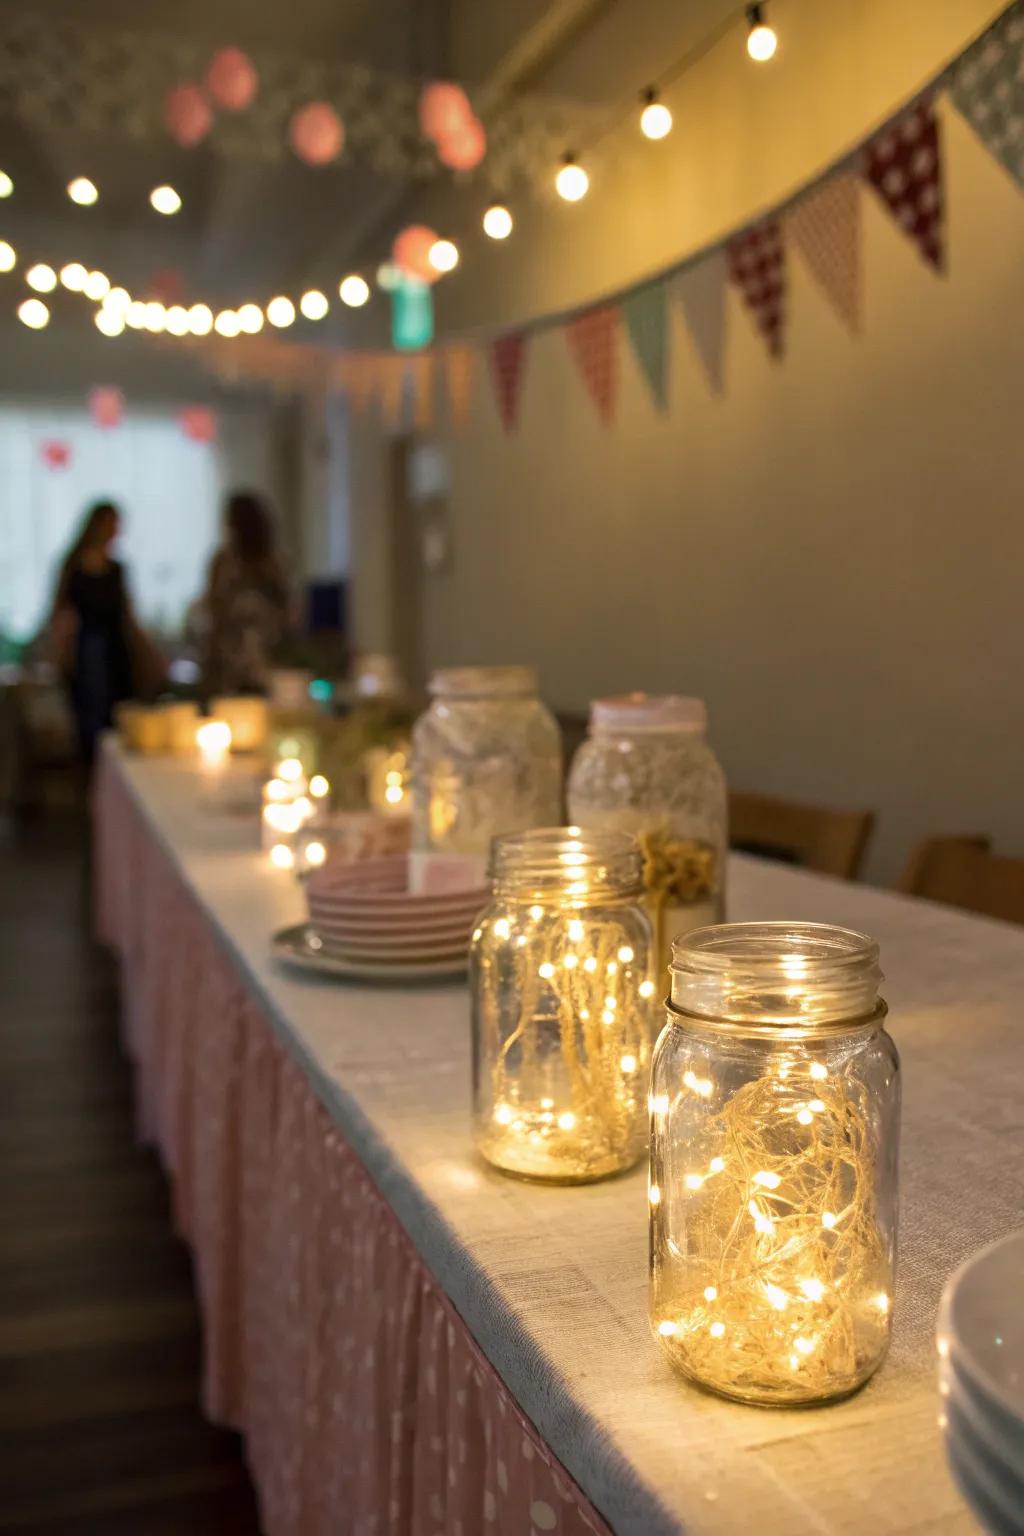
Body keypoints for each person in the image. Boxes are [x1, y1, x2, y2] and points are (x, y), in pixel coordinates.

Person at [49, 501, 151, 764]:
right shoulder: (73, 567)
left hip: (116, 651)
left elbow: (128, 617)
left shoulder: (117, 569)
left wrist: (148, 654)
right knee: (90, 724)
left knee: (116, 719)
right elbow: (61, 615)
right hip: (87, 652)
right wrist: (63, 655)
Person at [199, 490, 291, 697]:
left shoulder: (271, 565)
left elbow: (286, 613)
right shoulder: (224, 562)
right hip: (231, 660)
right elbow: (214, 613)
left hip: (264, 658)